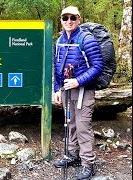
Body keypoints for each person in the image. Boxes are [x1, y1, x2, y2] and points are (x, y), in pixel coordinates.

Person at [53, 6, 104, 179]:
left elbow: (98, 66)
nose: (69, 21)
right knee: (71, 124)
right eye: (65, 18)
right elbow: (57, 67)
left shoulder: (86, 39)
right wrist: (57, 89)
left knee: (83, 127)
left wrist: (78, 80)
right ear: (61, 20)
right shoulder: (59, 41)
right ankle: (72, 155)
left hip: (84, 91)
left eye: (72, 18)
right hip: (66, 90)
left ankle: (88, 164)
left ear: (79, 19)